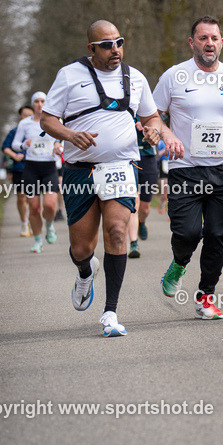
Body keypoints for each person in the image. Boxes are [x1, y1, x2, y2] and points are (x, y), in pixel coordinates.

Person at [40, 20, 180, 337]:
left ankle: (110, 313)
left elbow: (152, 116)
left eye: (119, 42)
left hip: (120, 166)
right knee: (80, 247)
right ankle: (85, 270)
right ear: (92, 49)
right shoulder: (69, 76)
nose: (114, 49)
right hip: (79, 170)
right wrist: (71, 135)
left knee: (117, 231)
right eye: (106, 44)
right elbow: (48, 120)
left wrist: (154, 130)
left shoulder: (136, 78)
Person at [154, 15, 223, 320]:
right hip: (185, 169)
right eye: (203, 38)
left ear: (222, 42)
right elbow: (150, 115)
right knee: (188, 233)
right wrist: (167, 134)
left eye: (214, 38)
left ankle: (206, 295)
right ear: (192, 43)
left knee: (217, 233)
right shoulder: (174, 77)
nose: (209, 43)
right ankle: (179, 262)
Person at [12, 91, 62, 252]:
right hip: (31, 168)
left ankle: (49, 225)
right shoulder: (25, 123)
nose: (40, 104)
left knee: (49, 204)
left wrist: (57, 145)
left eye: (42, 101)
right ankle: (38, 241)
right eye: (36, 102)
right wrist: (23, 145)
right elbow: (15, 144)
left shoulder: (56, 120)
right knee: (33, 207)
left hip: (49, 167)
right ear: (32, 104)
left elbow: (65, 139)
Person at [127, 121, 159, 258]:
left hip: (147, 156)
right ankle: (133, 243)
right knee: (134, 201)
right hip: (128, 157)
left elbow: (159, 128)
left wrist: (148, 127)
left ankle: (142, 222)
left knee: (145, 207)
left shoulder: (148, 109)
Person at [2, 105, 34, 236]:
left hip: (34, 167)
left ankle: (33, 222)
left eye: (29, 115)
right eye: (24, 115)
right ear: (20, 117)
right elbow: (5, 147)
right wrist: (15, 155)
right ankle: (24, 223)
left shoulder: (39, 130)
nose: (26, 118)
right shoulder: (14, 132)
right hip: (19, 168)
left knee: (32, 198)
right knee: (21, 197)